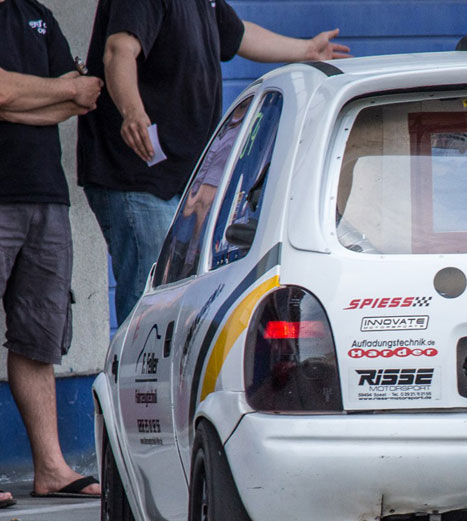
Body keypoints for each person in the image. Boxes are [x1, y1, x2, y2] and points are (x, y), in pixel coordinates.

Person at [77, 1, 349, 325]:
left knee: (180, 300)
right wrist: (132, 111)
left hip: (182, 180)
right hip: (139, 176)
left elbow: (239, 35)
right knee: (150, 305)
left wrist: (306, 50)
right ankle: (134, 377)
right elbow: (119, 49)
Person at [0, 0, 105, 507]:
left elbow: (82, 100)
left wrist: (25, 98)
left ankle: (51, 468)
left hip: (46, 195)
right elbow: (12, 90)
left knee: (39, 337)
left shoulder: (37, 14)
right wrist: (60, 89)